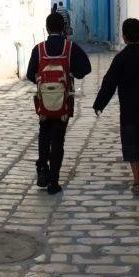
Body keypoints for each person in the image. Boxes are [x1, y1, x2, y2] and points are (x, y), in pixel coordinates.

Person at [92, 18, 139, 195]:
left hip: (129, 110)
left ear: (124, 36)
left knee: (131, 144)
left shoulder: (121, 58)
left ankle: (136, 181)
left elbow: (109, 83)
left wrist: (100, 104)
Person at [27, 12, 91, 194]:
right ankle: (53, 182)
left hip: (44, 104)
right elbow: (85, 69)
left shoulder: (38, 50)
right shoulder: (70, 48)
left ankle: (41, 168)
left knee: (44, 135)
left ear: (47, 28)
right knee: (58, 140)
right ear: (63, 28)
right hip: (63, 103)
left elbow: (31, 75)